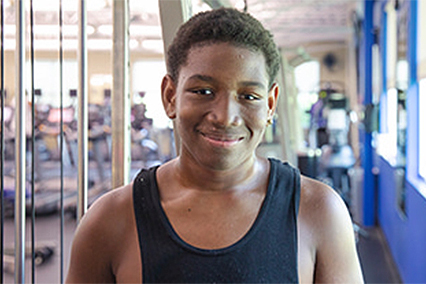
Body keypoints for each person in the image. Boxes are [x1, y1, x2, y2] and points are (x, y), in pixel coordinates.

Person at [66, 8, 364, 283]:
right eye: (203, 91)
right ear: (170, 96)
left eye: (249, 96)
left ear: (270, 104)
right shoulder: (109, 221)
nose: (225, 117)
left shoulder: (319, 212)